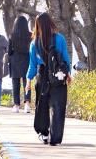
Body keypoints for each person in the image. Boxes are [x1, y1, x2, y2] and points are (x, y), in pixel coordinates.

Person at [27, 12, 71, 146]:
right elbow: (65, 59)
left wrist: (28, 80)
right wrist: (68, 74)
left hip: (42, 76)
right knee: (58, 106)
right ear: (51, 23)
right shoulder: (60, 39)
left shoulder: (35, 43)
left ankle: (44, 133)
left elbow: (32, 65)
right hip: (58, 76)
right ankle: (55, 137)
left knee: (42, 106)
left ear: (37, 25)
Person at [9, 15, 32, 113]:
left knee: (15, 84)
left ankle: (17, 105)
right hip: (27, 60)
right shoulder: (30, 35)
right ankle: (27, 104)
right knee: (27, 82)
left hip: (15, 61)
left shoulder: (12, 36)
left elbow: (9, 51)